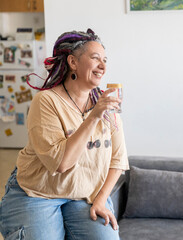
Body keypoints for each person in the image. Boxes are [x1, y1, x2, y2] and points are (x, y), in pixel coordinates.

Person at [0, 29, 129, 239]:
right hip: (38, 193)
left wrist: (100, 199)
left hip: (84, 194)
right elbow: (60, 164)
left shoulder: (107, 106)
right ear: (73, 62)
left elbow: (118, 161)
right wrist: (93, 117)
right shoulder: (46, 101)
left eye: (105, 60)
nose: (103, 66)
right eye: (95, 58)